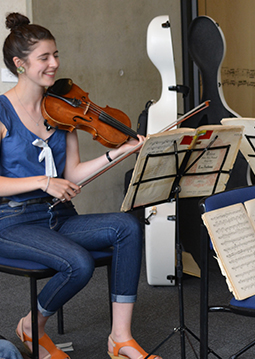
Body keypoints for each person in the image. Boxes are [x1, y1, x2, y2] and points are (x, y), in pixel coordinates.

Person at [0, 13, 160, 359]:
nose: (55, 64)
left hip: (58, 217)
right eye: (44, 57)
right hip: (12, 223)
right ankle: (32, 326)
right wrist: (43, 182)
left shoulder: (61, 112)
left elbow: (71, 176)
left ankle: (120, 338)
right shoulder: (2, 112)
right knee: (79, 263)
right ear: (19, 63)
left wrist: (118, 154)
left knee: (127, 227)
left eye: (56, 54)